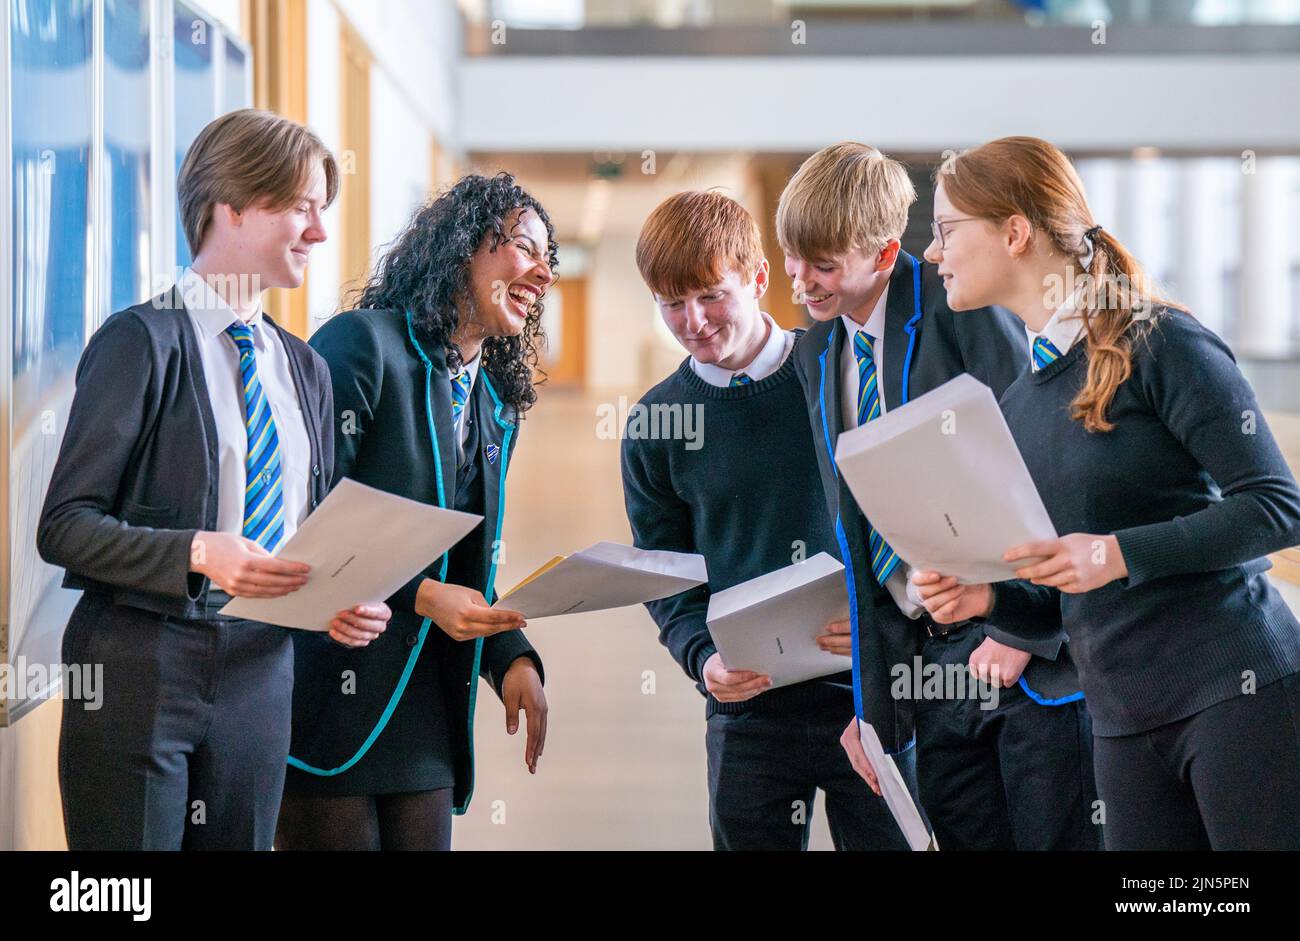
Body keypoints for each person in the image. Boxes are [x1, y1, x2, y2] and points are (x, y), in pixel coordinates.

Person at [913, 135, 1300, 850]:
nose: (933, 252)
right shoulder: (1021, 400)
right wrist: (988, 598)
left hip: (1234, 691)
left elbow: (1276, 506)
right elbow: (1066, 585)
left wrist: (1117, 553)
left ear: (1015, 230)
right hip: (1119, 720)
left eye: (945, 231)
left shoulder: (1161, 341)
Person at [37, 109, 391, 850]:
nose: (319, 233)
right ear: (229, 205)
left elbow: (310, 525)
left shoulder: (305, 369)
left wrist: (333, 596)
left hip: (261, 673)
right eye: (301, 207)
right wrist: (197, 551)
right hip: (139, 671)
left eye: (322, 210)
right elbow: (65, 525)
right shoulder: (140, 341)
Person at [781, 142, 1100, 850]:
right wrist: (873, 708)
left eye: (824, 263)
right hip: (927, 663)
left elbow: (1036, 457)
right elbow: (859, 539)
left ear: (887, 253)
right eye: (793, 260)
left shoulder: (959, 304)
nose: (802, 281)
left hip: (1014, 643)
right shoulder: (819, 354)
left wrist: (1021, 628)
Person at [621, 190, 908, 850]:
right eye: (670, 303)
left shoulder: (841, 368)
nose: (692, 320)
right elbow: (667, 575)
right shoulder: (655, 427)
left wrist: (887, 623)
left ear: (757, 278)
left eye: (710, 295)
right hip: (747, 706)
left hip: (867, 690)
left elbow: (905, 518)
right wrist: (703, 658)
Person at [275, 173, 552, 851]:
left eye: (550, 257)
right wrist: (426, 596)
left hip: (427, 702)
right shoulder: (362, 346)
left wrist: (511, 657)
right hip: (333, 689)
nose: (541, 271)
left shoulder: (493, 402)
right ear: (462, 248)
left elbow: (470, 563)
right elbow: (308, 518)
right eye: (521, 245)